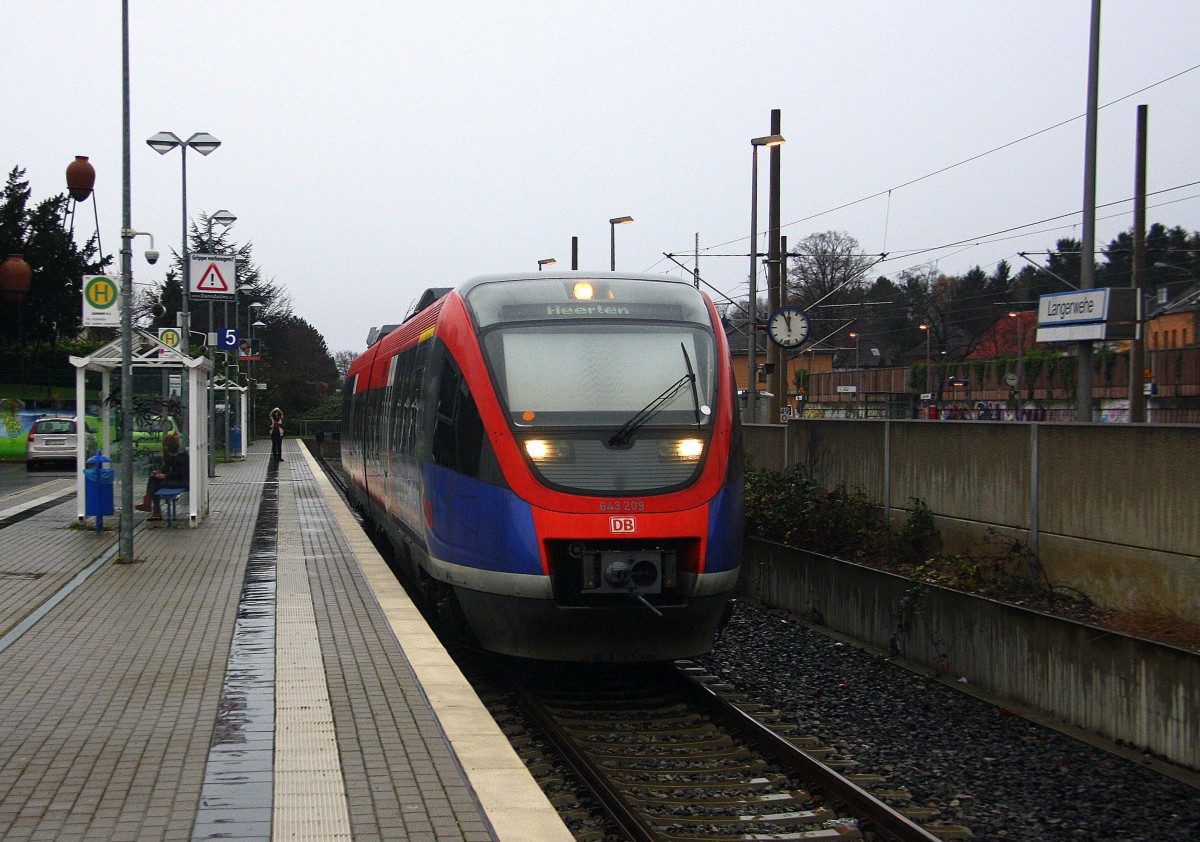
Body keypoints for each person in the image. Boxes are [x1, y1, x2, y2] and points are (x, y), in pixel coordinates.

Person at [135, 434, 187, 521]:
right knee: (153, 478)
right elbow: (167, 467)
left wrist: (165, 475)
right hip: (173, 478)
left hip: (181, 480)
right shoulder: (171, 453)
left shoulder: (181, 455)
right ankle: (150, 506)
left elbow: (181, 472)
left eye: (166, 446)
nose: (165, 448)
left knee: (156, 486)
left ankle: (154, 510)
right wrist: (161, 472)